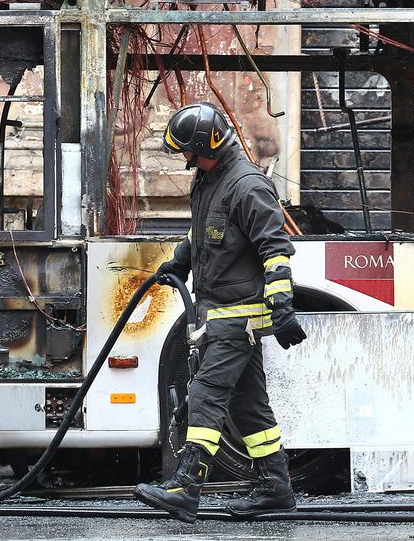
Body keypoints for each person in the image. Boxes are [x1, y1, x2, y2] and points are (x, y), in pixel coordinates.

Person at [134, 102, 307, 523]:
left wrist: (283, 304)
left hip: (239, 315)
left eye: (187, 151)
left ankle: (187, 485)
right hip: (220, 312)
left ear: (203, 145)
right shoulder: (211, 179)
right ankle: (276, 488)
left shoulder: (247, 186)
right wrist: (180, 260)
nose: (185, 159)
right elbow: (202, 230)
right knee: (250, 406)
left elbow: (274, 248)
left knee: (206, 393)